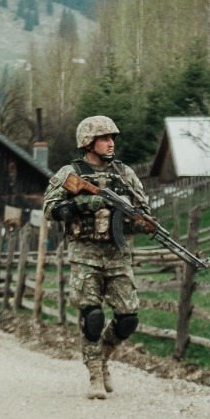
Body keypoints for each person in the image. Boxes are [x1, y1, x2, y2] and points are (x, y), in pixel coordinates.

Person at [43, 115, 149, 399]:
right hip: (85, 255)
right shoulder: (70, 174)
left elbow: (143, 211)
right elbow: (51, 209)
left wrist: (138, 220)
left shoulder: (124, 173)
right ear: (89, 143)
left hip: (118, 255)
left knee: (128, 318)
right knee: (92, 315)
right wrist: (82, 203)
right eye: (105, 138)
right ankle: (94, 376)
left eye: (112, 138)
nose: (111, 143)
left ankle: (103, 357)